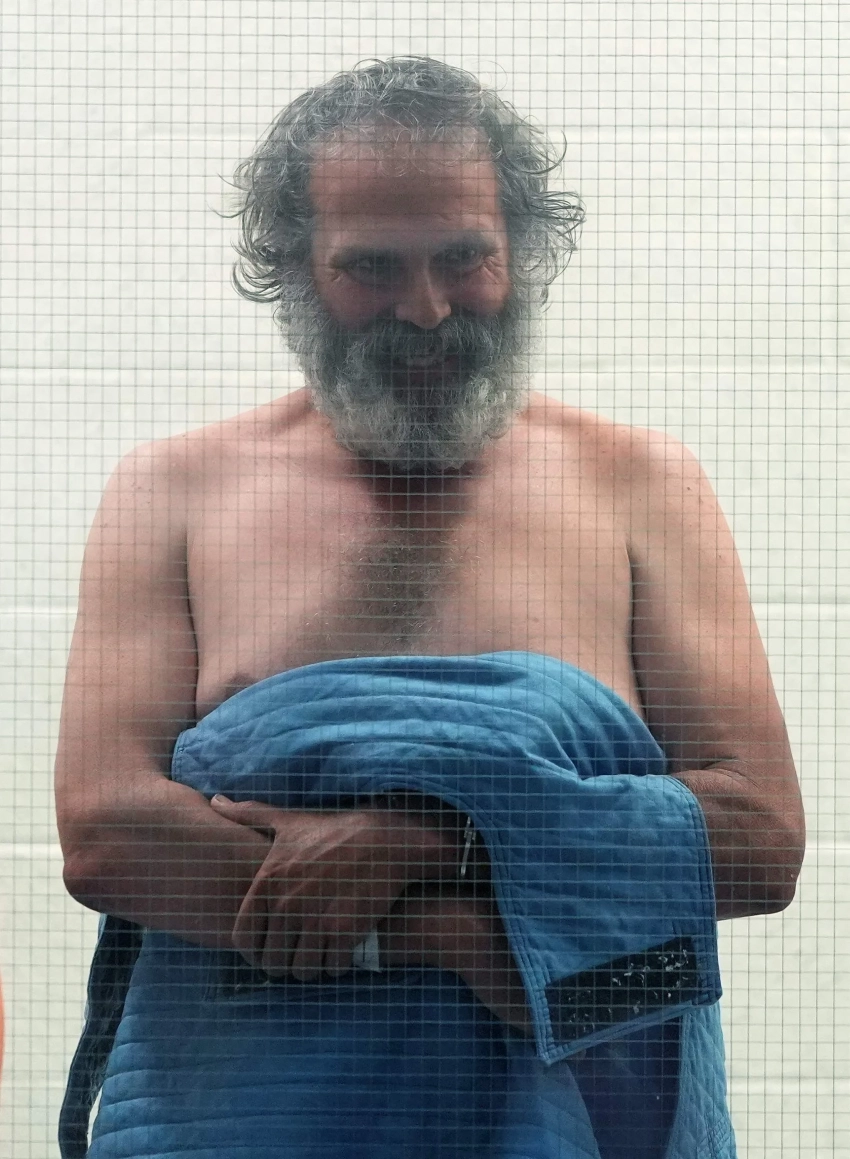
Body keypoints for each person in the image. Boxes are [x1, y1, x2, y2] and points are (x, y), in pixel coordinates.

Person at [54, 56, 805, 1159]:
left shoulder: (644, 486)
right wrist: (443, 928)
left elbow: (757, 841)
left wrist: (434, 836)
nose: (426, 309)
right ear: (296, 271)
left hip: (585, 1114)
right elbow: (107, 835)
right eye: (372, 267)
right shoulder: (170, 490)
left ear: (521, 251)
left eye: (464, 258)